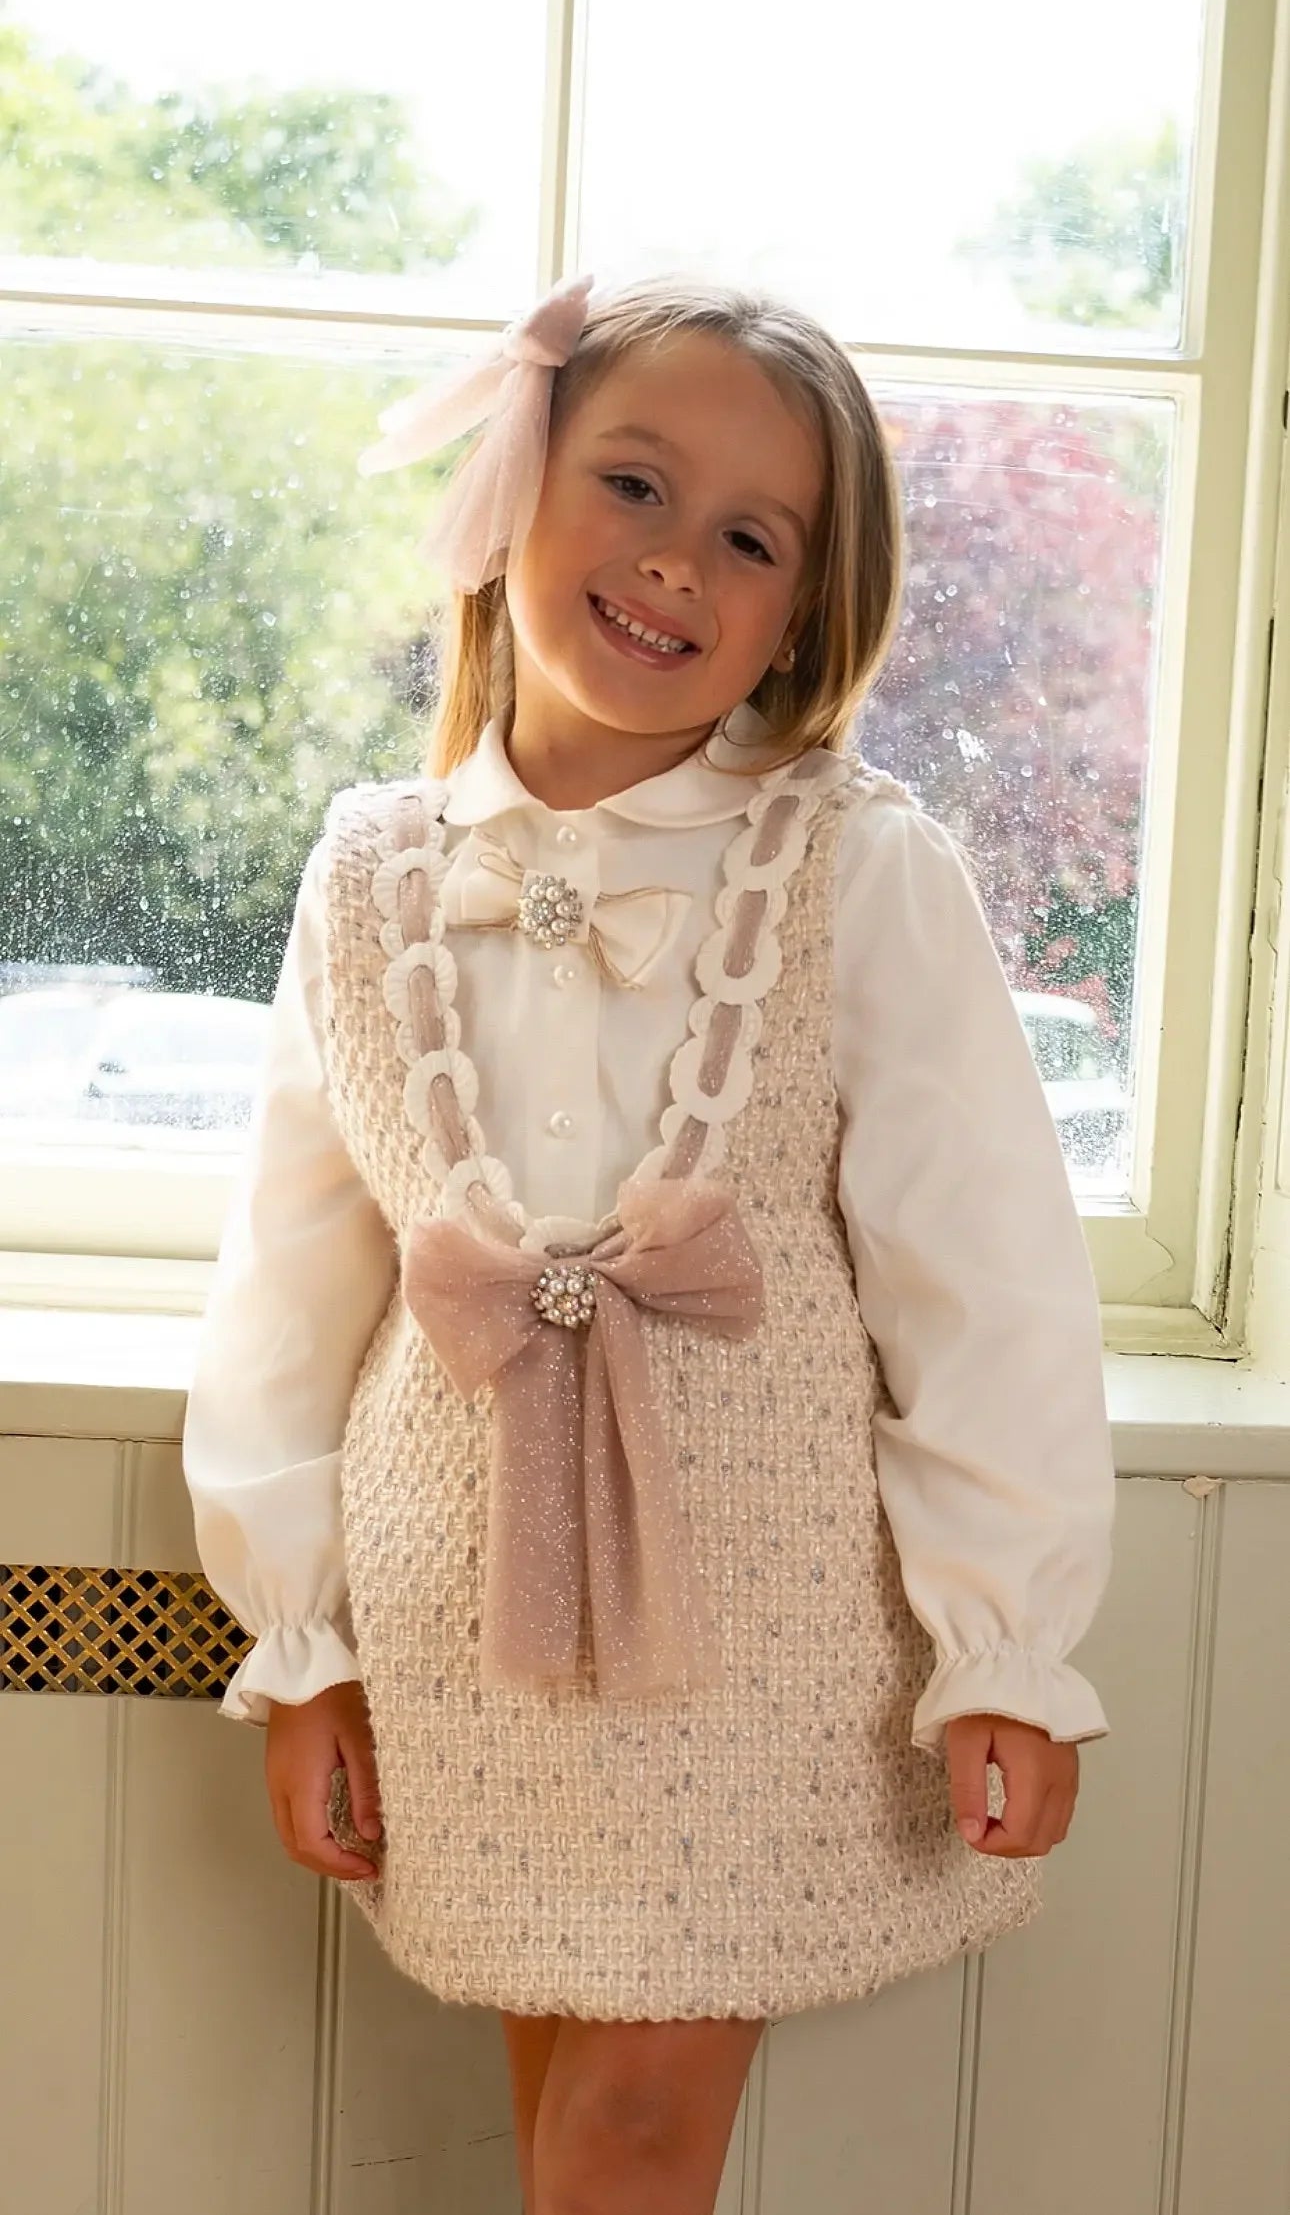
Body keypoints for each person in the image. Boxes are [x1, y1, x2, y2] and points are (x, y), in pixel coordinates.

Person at [181, 269, 1116, 2215]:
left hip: (759, 1657)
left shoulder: (861, 870)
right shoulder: (367, 880)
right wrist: (303, 1648)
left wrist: (1005, 1645)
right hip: (471, 1660)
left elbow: (989, 1281)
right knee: (564, 2138)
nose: (677, 560)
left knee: (625, 2145)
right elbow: (290, 1283)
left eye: (750, 536)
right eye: (632, 485)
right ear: (509, 485)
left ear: (801, 610)